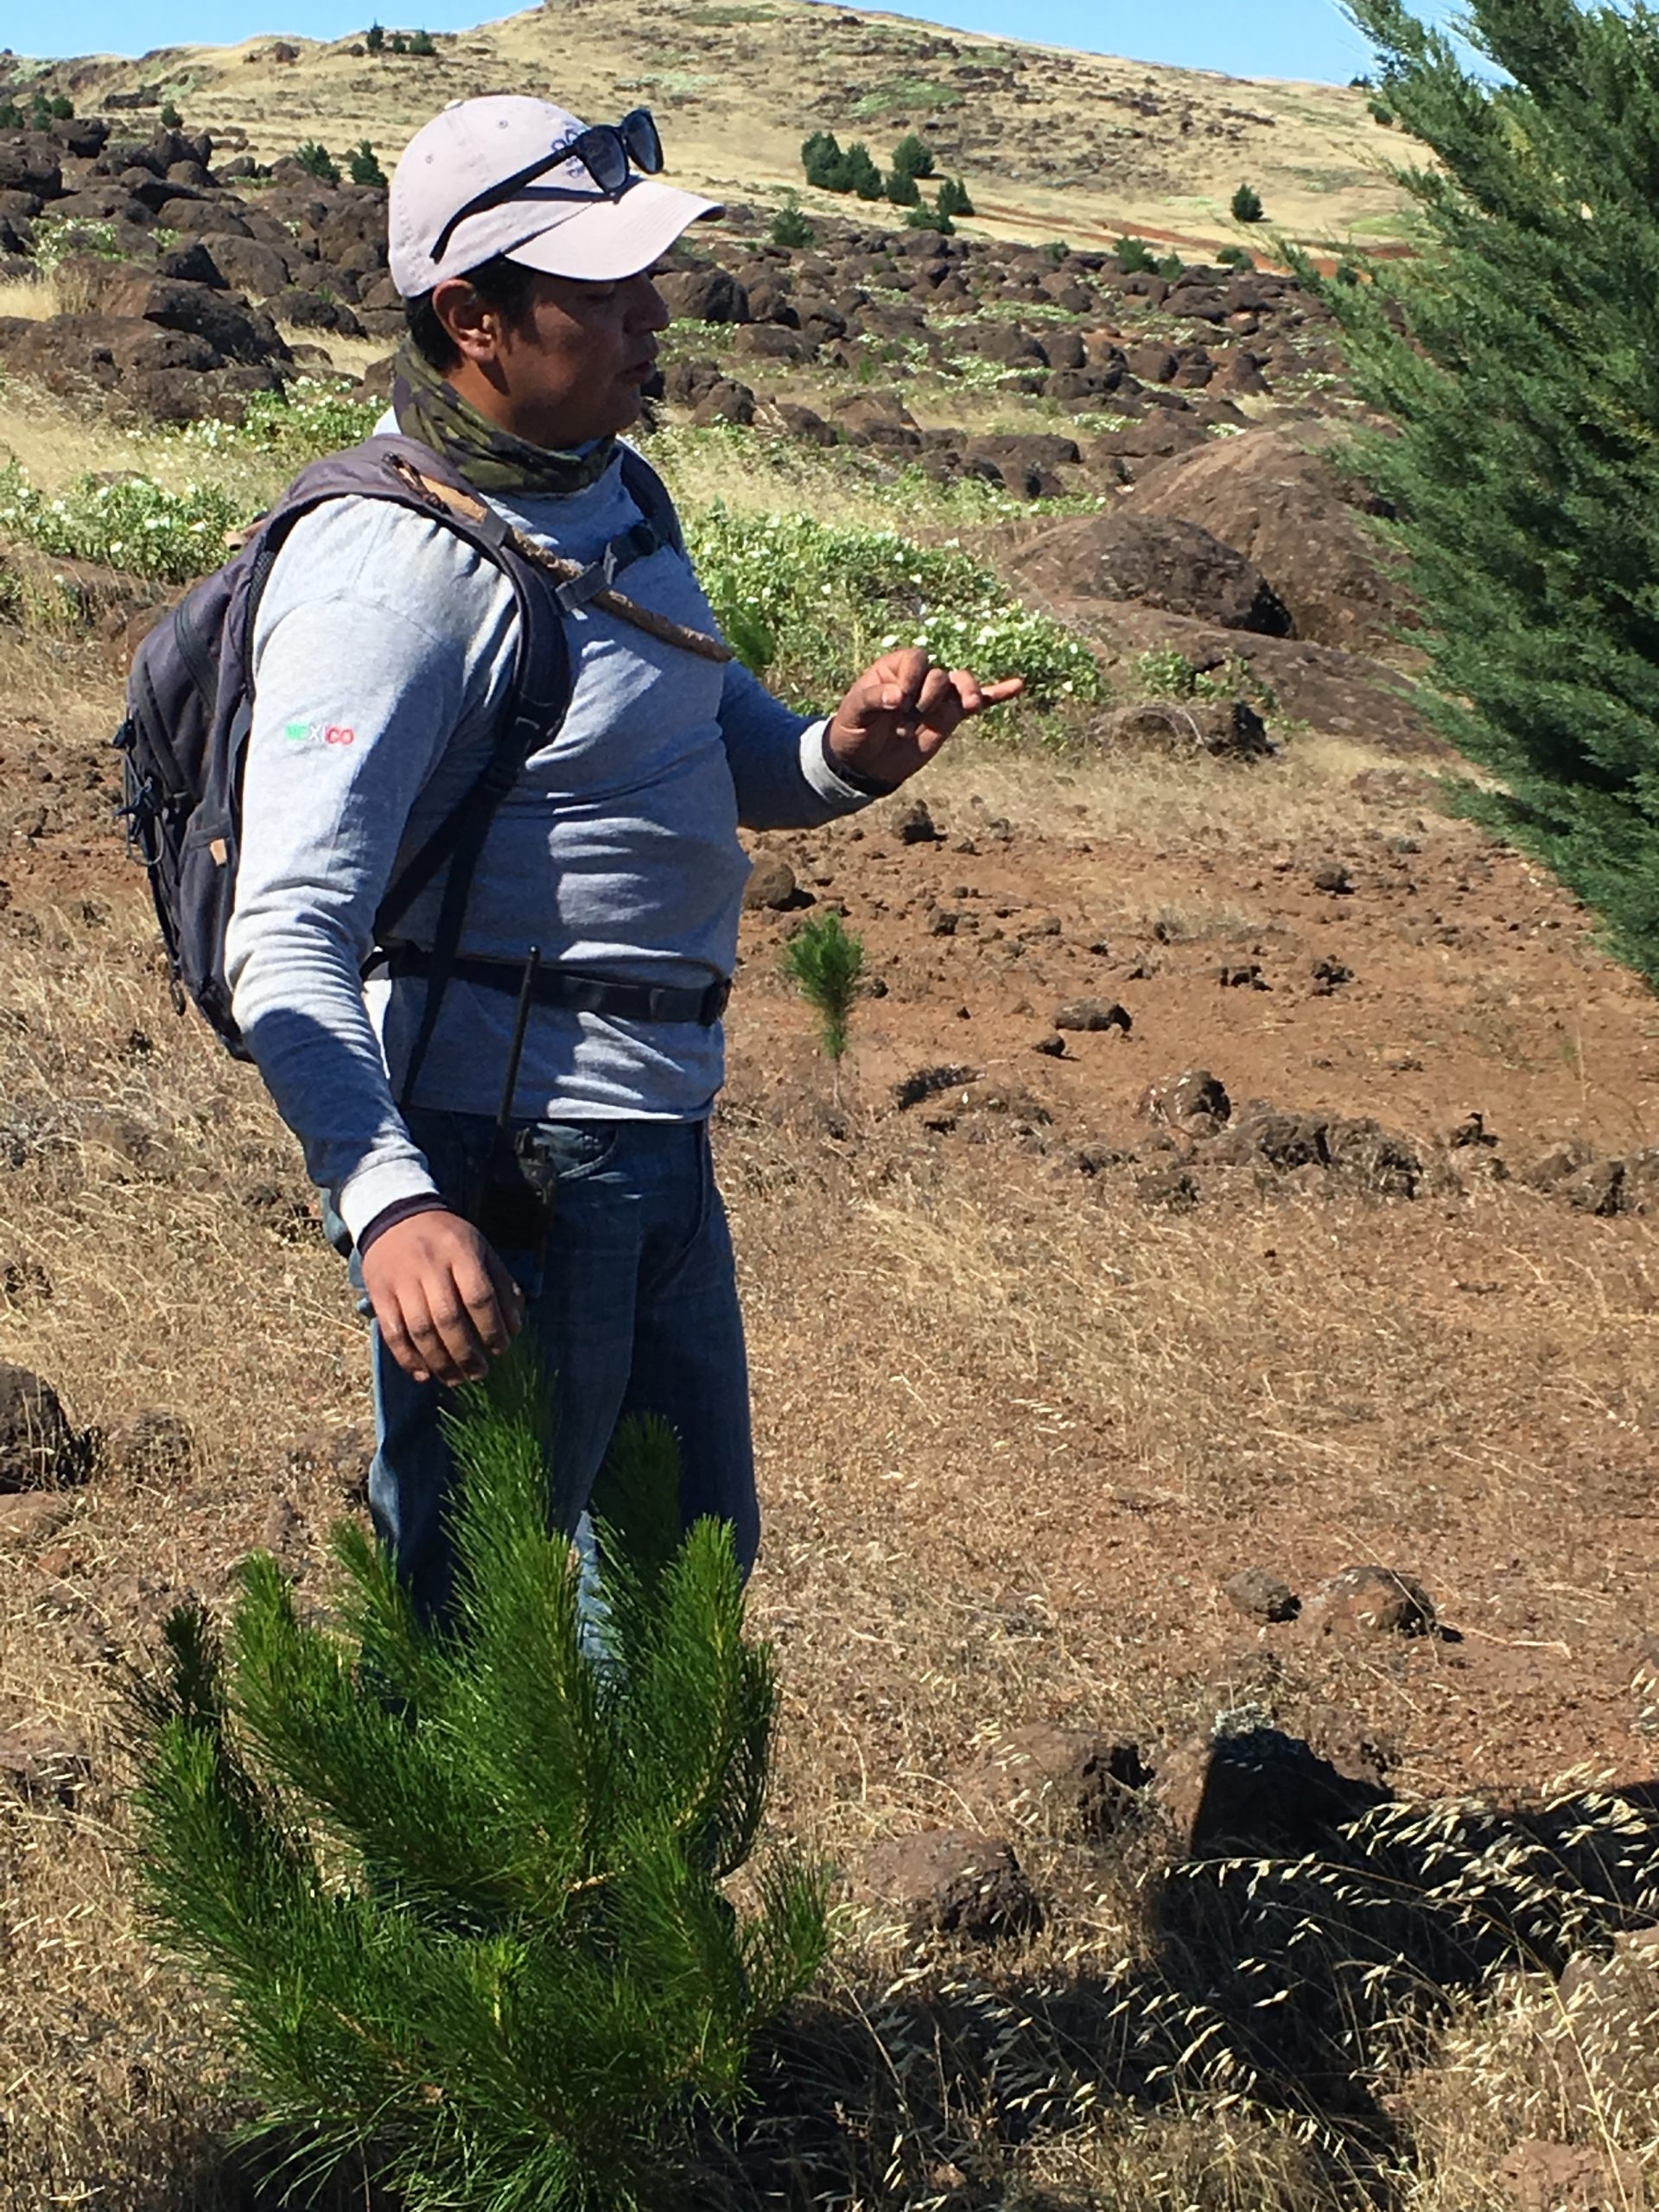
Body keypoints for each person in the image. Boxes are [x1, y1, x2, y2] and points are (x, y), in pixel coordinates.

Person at [226, 94, 1022, 1621]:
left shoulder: (612, 488)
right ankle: (453, 1881)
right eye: (602, 289)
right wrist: (389, 1204)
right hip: (506, 1160)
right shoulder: (387, 579)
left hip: (654, 1137)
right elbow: (287, 930)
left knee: (678, 1604)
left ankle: (644, 1873)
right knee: (475, 1646)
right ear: (471, 318)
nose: (656, 315)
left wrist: (831, 761)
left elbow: (695, 743)